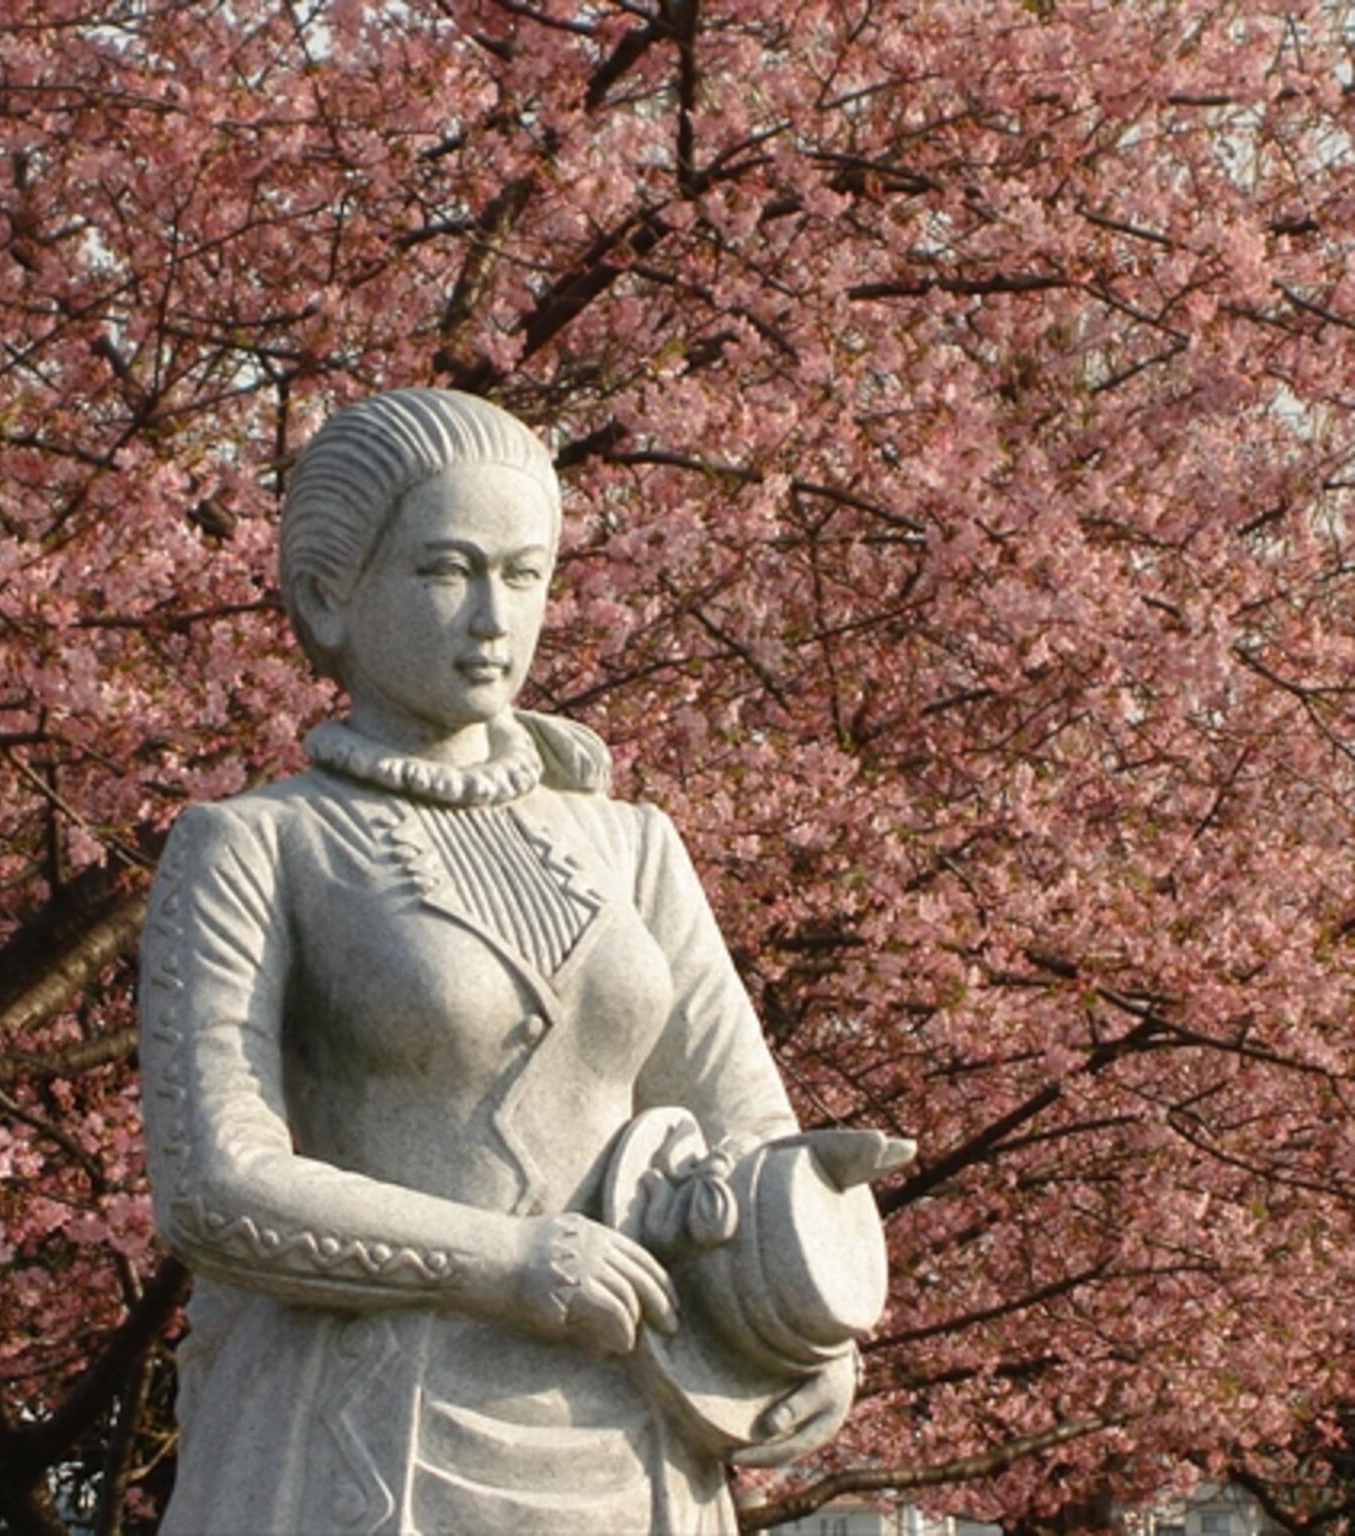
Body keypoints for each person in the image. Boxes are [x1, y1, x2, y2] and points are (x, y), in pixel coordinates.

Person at [139, 388, 850, 1534]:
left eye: (523, 576)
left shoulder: (629, 846)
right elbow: (216, 1188)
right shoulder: (255, 847)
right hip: (366, 1434)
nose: (490, 618)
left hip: (636, 1438)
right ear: (330, 592)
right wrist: (504, 1261)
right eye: (443, 571)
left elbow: (750, 1137)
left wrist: (801, 1307)